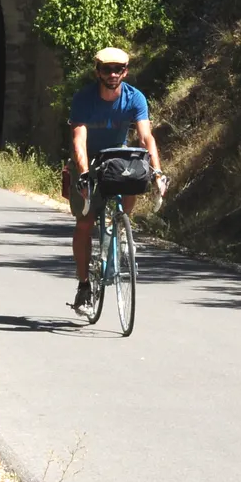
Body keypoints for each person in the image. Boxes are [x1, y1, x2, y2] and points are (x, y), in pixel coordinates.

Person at [66, 46, 167, 313]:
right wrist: (84, 174)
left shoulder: (135, 98)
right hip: (89, 160)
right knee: (85, 223)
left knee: (136, 174)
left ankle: (120, 227)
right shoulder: (84, 99)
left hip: (117, 158)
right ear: (97, 71)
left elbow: (146, 138)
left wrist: (157, 172)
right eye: (107, 69)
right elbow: (79, 138)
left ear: (126, 72)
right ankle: (84, 286)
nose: (113, 74)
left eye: (118, 69)